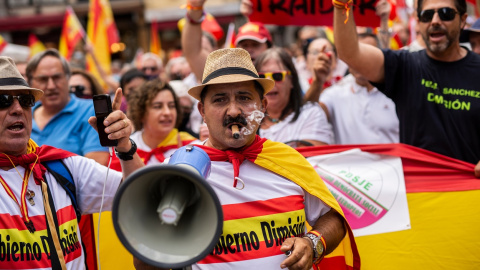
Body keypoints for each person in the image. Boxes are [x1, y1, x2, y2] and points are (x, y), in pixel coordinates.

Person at [134, 48, 359, 270]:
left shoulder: (288, 160)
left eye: (244, 98)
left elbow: (333, 219)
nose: (233, 111)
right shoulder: (178, 169)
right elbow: (145, 260)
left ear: (263, 106)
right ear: (202, 111)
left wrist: (312, 243)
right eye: (220, 100)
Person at [0, 55, 144, 269]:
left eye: (25, 100)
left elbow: (141, 194)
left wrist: (124, 146)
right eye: (3, 101)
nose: (17, 109)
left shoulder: (62, 166)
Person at [333, 0, 480, 176]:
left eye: (445, 13)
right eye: (426, 15)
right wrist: (341, 6)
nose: (434, 21)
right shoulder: (404, 66)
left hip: (471, 193)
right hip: (417, 194)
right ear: (418, 22)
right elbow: (349, 54)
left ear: (463, 20)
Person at [26, 49, 110, 166]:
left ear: (68, 78)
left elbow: (95, 170)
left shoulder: (90, 111)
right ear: (30, 83)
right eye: (43, 79)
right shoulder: (23, 113)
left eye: (57, 77)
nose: (51, 86)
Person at [320, 33, 399, 144]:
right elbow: (309, 117)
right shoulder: (334, 94)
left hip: (394, 161)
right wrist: (318, 81)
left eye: (366, 54)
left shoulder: (400, 92)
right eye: (354, 54)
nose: (359, 60)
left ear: (380, 57)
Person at [110, 78, 198, 171]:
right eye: (158, 106)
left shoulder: (191, 147)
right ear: (141, 112)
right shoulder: (123, 146)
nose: (167, 112)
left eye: (171, 106)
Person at [254, 48, 333, 147]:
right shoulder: (247, 120)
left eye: (277, 76)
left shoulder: (311, 114)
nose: (269, 82)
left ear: (291, 81)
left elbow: (308, 158)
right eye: (261, 77)